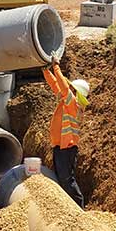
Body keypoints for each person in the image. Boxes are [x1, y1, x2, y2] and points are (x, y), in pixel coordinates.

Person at [42, 59, 89, 208]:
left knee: (66, 179)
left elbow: (62, 85)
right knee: (62, 179)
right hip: (60, 146)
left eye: (71, 87)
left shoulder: (73, 104)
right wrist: (45, 70)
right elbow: (56, 85)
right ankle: (68, 207)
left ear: (76, 92)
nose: (69, 88)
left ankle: (78, 206)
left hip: (67, 148)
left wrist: (56, 66)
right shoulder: (66, 101)